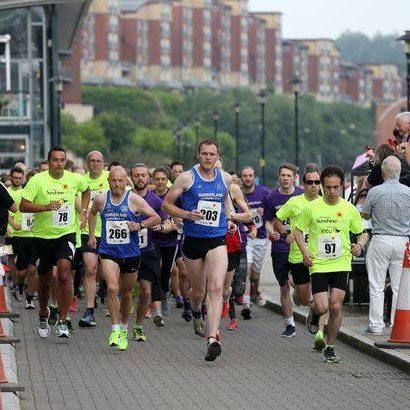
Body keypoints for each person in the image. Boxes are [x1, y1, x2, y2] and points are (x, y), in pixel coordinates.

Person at [163, 139, 235, 361]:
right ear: (198, 155)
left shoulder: (225, 178)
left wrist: (229, 219)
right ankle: (196, 312)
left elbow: (225, 201)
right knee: (198, 292)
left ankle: (212, 338)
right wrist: (186, 215)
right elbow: (166, 204)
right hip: (193, 240)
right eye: (204, 153)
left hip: (217, 238)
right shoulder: (187, 177)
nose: (208, 157)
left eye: (212, 154)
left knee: (216, 287)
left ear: (217, 156)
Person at [294, 165, 367, 363]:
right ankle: (315, 314)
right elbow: (298, 231)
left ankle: (330, 347)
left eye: (336, 187)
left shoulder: (349, 209)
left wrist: (359, 245)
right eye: (328, 187)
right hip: (319, 264)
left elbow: (363, 233)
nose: (332, 191)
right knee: (322, 306)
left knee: (335, 307)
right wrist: (304, 251)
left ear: (342, 186)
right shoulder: (311, 208)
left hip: (341, 262)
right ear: (322, 186)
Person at [20, 147, 91, 338]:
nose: (59, 163)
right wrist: (45, 207)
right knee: (44, 281)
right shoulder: (38, 180)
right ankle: (43, 313)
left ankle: (63, 320)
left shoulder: (74, 179)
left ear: (65, 161)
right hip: (43, 237)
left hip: (66, 234)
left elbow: (86, 191)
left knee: (64, 272)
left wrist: (83, 212)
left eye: (62, 160)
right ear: (49, 161)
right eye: (55, 160)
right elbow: (23, 205)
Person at [88, 166, 160, 350]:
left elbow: (156, 218)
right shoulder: (101, 199)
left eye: (121, 180)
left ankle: (125, 326)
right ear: (108, 181)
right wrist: (91, 236)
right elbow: (93, 213)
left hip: (131, 253)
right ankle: (115, 329)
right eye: (114, 180)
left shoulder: (134, 199)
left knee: (127, 293)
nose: (117, 184)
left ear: (126, 181)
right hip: (108, 250)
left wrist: (140, 225)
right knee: (112, 288)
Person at [274, 164, 326, 349]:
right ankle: (307, 302)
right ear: (303, 184)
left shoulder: (327, 202)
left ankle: (320, 334)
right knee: (304, 299)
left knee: (322, 299)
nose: (314, 185)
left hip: (320, 259)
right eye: (310, 182)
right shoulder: (294, 202)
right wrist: (285, 233)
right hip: (298, 257)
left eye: (317, 182)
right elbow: (277, 220)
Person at [362, 156, 410, 334]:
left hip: (380, 239)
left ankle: (375, 325)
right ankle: (397, 323)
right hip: (402, 242)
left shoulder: (375, 192)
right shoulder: (408, 192)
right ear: (400, 172)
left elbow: (365, 215)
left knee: (376, 284)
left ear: (382, 173)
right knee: (400, 286)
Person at [264, 163, 303, 337]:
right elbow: (267, 220)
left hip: (300, 247)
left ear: (295, 177)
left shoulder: (302, 195)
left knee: (299, 285)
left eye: (289, 175)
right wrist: (272, 232)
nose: (286, 178)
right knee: (284, 286)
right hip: (280, 248)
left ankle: (300, 296)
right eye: (283, 175)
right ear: (279, 176)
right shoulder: (271, 197)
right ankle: (290, 324)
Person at [131, 163, 168, 339]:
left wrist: (163, 226)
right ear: (131, 177)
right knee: (126, 290)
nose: (140, 178)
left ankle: (138, 325)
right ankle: (122, 325)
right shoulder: (126, 198)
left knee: (146, 290)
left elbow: (164, 221)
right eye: (136, 175)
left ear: (148, 177)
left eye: (143, 175)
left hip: (148, 249)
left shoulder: (155, 200)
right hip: (127, 251)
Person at [79, 151, 110, 328]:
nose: (96, 164)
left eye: (99, 161)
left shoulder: (111, 178)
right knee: (90, 269)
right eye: (92, 161)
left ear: (103, 163)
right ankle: (90, 310)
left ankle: (111, 297)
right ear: (87, 163)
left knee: (107, 273)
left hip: (109, 232)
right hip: (89, 232)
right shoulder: (82, 181)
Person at [240, 166, 270, 314]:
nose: (247, 178)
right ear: (241, 178)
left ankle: (255, 290)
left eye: (250, 176)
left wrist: (264, 212)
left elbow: (273, 212)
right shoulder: (237, 193)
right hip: (245, 237)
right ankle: (246, 303)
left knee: (255, 273)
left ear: (254, 177)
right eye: (245, 176)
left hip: (261, 237)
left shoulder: (263, 192)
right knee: (247, 268)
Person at [7, 167, 37, 309]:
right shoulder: (8, 192)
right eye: (15, 177)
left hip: (34, 236)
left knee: (33, 269)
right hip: (15, 235)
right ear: (11, 177)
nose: (18, 180)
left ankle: (29, 298)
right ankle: (17, 284)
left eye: (20, 177)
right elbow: (5, 212)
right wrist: (11, 226)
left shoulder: (29, 193)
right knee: (18, 267)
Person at [152, 166, 179, 315]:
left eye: (163, 179)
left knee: (165, 272)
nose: (160, 182)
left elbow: (181, 219)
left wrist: (173, 226)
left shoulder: (174, 196)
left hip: (170, 240)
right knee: (154, 270)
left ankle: (164, 296)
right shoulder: (150, 196)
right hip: (154, 239)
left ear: (168, 179)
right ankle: (155, 302)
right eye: (157, 179)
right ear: (153, 180)